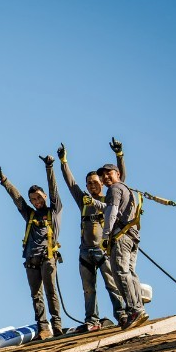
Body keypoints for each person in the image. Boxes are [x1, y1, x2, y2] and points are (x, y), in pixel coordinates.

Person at [57, 140, 126, 332]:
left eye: (95, 182)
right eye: (89, 184)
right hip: (85, 251)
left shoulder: (110, 199)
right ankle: (92, 320)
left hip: (104, 250)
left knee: (112, 284)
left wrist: (119, 156)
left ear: (102, 183)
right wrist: (64, 162)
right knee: (88, 290)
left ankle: (121, 314)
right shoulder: (84, 201)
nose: (92, 185)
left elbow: (122, 179)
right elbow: (71, 184)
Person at [0, 155, 64, 340]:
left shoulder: (53, 211)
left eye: (39, 197)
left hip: (47, 256)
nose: (37, 201)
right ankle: (44, 327)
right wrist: (5, 181)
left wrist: (49, 168)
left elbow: (54, 190)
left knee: (51, 292)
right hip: (31, 259)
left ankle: (57, 324)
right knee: (36, 295)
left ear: (45, 197)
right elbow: (17, 199)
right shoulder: (30, 214)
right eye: (33, 199)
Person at [99, 146, 149, 330]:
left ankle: (134, 310)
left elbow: (111, 211)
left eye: (108, 174)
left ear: (117, 173)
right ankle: (138, 309)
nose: (105, 178)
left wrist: (105, 236)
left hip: (121, 237)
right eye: (103, 176)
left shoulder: (114, 189)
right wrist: (120, 155)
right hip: (132, 237)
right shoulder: (126, 188)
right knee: (130, 273)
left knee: (121, 273)